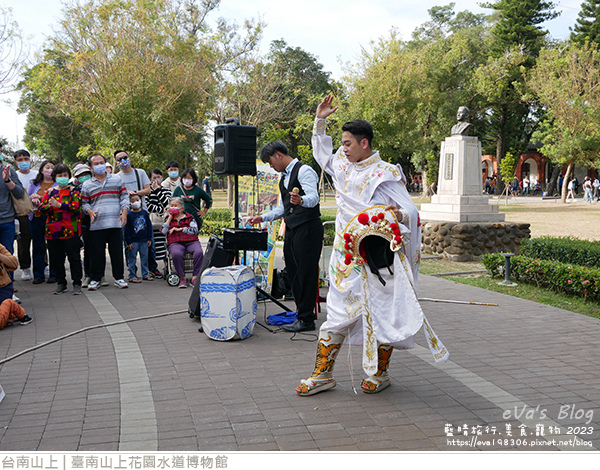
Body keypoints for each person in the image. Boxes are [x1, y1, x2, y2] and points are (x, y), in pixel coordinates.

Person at [295, 95, 446, 396]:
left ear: (364, 144)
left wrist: (391, 216)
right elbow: (321, 151)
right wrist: (320, 119)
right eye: (342, 144)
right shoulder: (341, 164)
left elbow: (411, 212)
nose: (343, 148)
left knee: (381, 312)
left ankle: (381, 372)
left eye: (348, 143)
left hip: (378, 258)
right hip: (345, 256)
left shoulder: (385, 173)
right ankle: (322, 375)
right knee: (337, 312)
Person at [247, 141, 323, 332]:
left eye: (270, 161)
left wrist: (302, 200)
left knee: (306, 273)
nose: (270, 165)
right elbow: (284, 208)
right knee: (294, 273)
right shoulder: (284, 178)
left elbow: (314, 198)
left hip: (307, 229)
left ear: (279, 154)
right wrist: (262, 217)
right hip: (292, 229)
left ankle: (307, 319)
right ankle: (301, 314)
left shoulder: (304, 171)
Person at [80, 153, 130, 291]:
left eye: (101, 162)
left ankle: (119, 278)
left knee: (117, 252)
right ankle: (96, 279)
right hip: (97, 223)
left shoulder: (117, 179)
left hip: (115, 222)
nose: (99, 165)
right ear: (91, 167)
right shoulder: (87, 184)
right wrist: (89, 211)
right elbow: (84, 203)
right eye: (95, 164)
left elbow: (124, 197)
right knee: (97, 253)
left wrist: (124, 212)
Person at [38, 164, 83, 295]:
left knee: (74, 258)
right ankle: (61, 283)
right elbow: (41, 209)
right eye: (60, 175)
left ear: (69, 176)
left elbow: (76, 207)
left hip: (71, 229)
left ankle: (76, 283)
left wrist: (59, 205)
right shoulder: (50, 192)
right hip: (53, 231)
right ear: (54, 177)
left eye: (65, 175)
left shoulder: (74, 191)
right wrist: (51, 207)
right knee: (56, 259)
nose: (63, 178)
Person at [113, 150, 154, 278]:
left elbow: (148, 190)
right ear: (116, 162)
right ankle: (132, 274)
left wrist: (135, 193)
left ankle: (148, 272)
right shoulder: (117, 177)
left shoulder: (140, 172)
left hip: (142, 213)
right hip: (126, 215)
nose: (123, 161)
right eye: (119, 159)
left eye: (124, 157)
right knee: (129, 246)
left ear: (129, 158)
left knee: (148, 245)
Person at [161, 197, 203, 288]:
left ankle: (195, 277)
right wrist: (170, 218)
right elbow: (163, 231)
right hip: (175, 242)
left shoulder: (189, 218)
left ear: (182, 208)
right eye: (171, 205)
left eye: (175, 205)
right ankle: (182, 278)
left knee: (199, 252)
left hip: (191, 241)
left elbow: (195, 230)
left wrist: (181, 229)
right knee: (176, 253)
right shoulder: (169, 219)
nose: (173, 207)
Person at [27, 160, 57, 284]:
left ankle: (54, 274)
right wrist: (32, 198)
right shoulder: (34, 184)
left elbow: (58, 198)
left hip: (53, 218)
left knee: (53, 246)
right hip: (36, 217)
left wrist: (41, 197)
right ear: (41, 170)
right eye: (47, 167)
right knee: (38, 246)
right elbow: (26, 198)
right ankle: (38, 275)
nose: (49, 170)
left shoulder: (58, 183)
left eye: (52, 167)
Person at [0, 145, 25, 274]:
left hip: (6, 221)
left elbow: (20, 193)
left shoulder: (9, 171)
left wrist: (7, 180)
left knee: (7, 256)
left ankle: (8, 288)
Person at [14, 149, 37, 281]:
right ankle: (25, 267)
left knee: (40, 241)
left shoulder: (36, 174)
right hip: (22, 212)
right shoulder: (14, 175)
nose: (24, 162)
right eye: (20, 160)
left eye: (26, 159)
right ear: (16, 162)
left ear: (30, 160)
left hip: (37, 211)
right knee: (23, 241)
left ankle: (43, 265)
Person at [0, 242, 32, 329]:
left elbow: (14, 264)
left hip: (3, 288)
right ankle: (9, 315)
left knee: (6, 305)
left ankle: (19, 314)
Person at [146, 169, 171, 277]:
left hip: (164, 223)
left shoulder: (166, 190)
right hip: (152, 222)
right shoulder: (147, 191)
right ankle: (152, 268)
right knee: (152, 245)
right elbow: (147, 205)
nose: (156, 180)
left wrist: (157, 191)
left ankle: (167, 265)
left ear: (162, 177)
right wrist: (161, 210)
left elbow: (167, 203)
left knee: (165, 244)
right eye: (154, 178)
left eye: (158, 177)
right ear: (150, 179)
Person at [72, 163, 93, 287]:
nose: (84, 177)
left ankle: (97, 275)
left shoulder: (95, 186)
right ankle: (87, 275)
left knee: (93, 250)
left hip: (93, 222)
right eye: (81, 175)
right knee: (82, 251)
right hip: (79, 224)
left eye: (86, 174)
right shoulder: (73, 189)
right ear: (76, 176)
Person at [124, 194, 153, 283]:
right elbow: (127, 230)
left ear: (140, 200)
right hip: (133, 241)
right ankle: (132, 275)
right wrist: (129, 242)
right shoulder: (129, 215)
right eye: (133, 201)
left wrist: (149, 238)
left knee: (145, 258)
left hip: (144, 240)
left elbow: (149, 226)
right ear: (129, 203)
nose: (135, 202)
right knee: (132, 258)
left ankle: (145, 274)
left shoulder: (144, 213)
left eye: (137, 200)